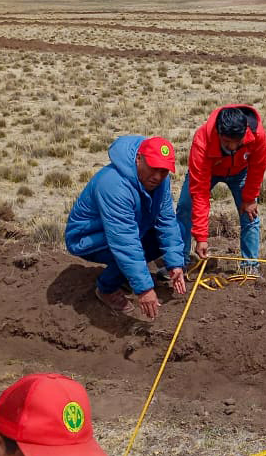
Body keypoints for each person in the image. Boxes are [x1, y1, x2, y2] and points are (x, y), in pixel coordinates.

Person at [65, 135, 187, 319]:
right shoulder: (113, 184)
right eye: (153, 168)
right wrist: (144, 289)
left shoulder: (161, 181)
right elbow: (124, 242)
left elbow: (166, 220)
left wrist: (175, 262)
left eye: (164, 171)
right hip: (87, 236)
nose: (157, 176)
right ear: (139, 159)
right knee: (133, 249)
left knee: (178, 228)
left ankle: (125, 275)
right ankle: (106, 289)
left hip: (130, 228)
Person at [175, 104, 266, 279]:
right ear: (218, 133)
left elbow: (258, 167)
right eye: (227, 142)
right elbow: (200, 193)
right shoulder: (202, 139)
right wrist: (201, 237)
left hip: (241, 171)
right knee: (185, 207)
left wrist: (249, 199)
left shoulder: (258, 135)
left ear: (245, 132)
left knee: (250, 215)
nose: (232, 147)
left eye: (237, 142)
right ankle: (179, 263)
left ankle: (250, 268)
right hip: (208, 171)